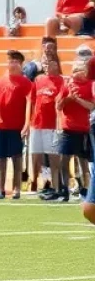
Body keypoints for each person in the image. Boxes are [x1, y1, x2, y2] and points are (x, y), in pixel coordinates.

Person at [0, 49, 34, 200]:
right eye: (10, 61)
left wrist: (27, 124)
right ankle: (1, 189)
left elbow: (29, 103)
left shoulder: (26, 83)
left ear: (20, 64)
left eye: (15, 61)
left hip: (16, 126)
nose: (12, 64)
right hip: (1, 124)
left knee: (17, 158)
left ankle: (17, 189)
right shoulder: (0, 81)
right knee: (1, 158)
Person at [53, 60, 94, 203]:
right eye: (75, 70)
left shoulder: (90, 85)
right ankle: (64, 191)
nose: (77, 73)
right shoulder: (67, 85)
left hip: (83, 129)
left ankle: (85, 190)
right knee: (63, 160)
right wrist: (69, 98)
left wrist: (77, 100)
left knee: (84, 162)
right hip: (68, 129)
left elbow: (92, 106)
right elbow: (58, 105)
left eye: (80, 70)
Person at [28, 56, 64, 196]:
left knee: (53, 157)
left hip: (52, 125)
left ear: (56, 65)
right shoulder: (38, 80)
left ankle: (56, 186)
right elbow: (32, 101)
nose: (47, 65)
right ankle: (34, 183)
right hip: (36, 123)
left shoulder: (61, 81)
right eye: (45, 63)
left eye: (50, 63)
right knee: (35, 156)